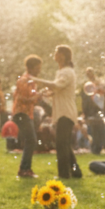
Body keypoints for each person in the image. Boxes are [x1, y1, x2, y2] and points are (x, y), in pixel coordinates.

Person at [31, 45, 81, 178]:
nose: (54, 54)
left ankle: (64, 174)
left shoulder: (67, 71)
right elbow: (58, 89)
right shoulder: (62, 71)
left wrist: (36, 80)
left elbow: (58, 85)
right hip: (63, 112)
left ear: (63, 55)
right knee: (64, 143)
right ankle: (76, 172)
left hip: (66, 112)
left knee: (61, 144)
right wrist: (48, 93)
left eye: (56, 52)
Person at [12, 56, 42, 178]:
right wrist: (36, 97)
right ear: (31, 68)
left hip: (26, 113)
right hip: (21, 113)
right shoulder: (24, 80)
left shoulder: (31, 81)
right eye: (37, 68)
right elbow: (20, 98)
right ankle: (24, 169)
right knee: (31, 140)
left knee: (31, 140)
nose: (39, 70)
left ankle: (25, 169)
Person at [83, 70, 105, 154]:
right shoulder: (87, 89)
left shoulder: (97, 86)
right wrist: (85, 115)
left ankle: (99, 147)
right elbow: (85, 104)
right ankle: (95, 149)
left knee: (99, 131)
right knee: (94, 132)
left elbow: (102, 99)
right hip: (91, 114)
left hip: (98, 114)